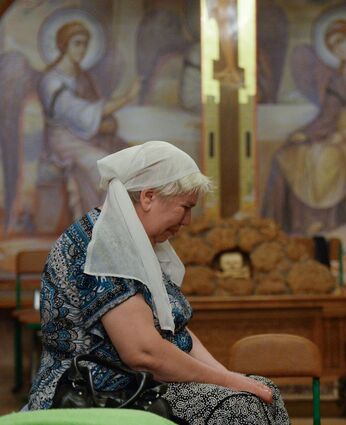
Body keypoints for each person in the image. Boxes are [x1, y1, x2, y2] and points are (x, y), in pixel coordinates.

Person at [27, 141, 290, 424]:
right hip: (98, 394)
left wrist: (229, 377)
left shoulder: (133, 240)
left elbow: (176, 332)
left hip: (141, 386)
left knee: (263, 391)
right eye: (185, 207)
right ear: (149, 197)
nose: (188, 221)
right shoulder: (101, 244)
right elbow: (143, 353)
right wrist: (227, 381)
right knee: (239, 408)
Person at [262, 19, 346, 234]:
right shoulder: (339, 75)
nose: (338, 50)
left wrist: (345, 136)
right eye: (333, 46)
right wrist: (306, 134)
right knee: (288, 154)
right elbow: (328, 115)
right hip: (334, 135)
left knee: (323, 158)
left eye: (341, 42)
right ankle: (289, 223)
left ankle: (321, 220)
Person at [38, 20, 140, 218]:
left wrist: (108, 125)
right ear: (63, 45)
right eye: (77, 43)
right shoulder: (51, 81)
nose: (82, 49)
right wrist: (127, 97)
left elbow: (93, 114)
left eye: (85, 44)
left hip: (85, 136)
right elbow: (82, 114)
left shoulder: (82, 76)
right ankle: (97, 226)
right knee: (103, 167)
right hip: (64, 141)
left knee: (128, 158)